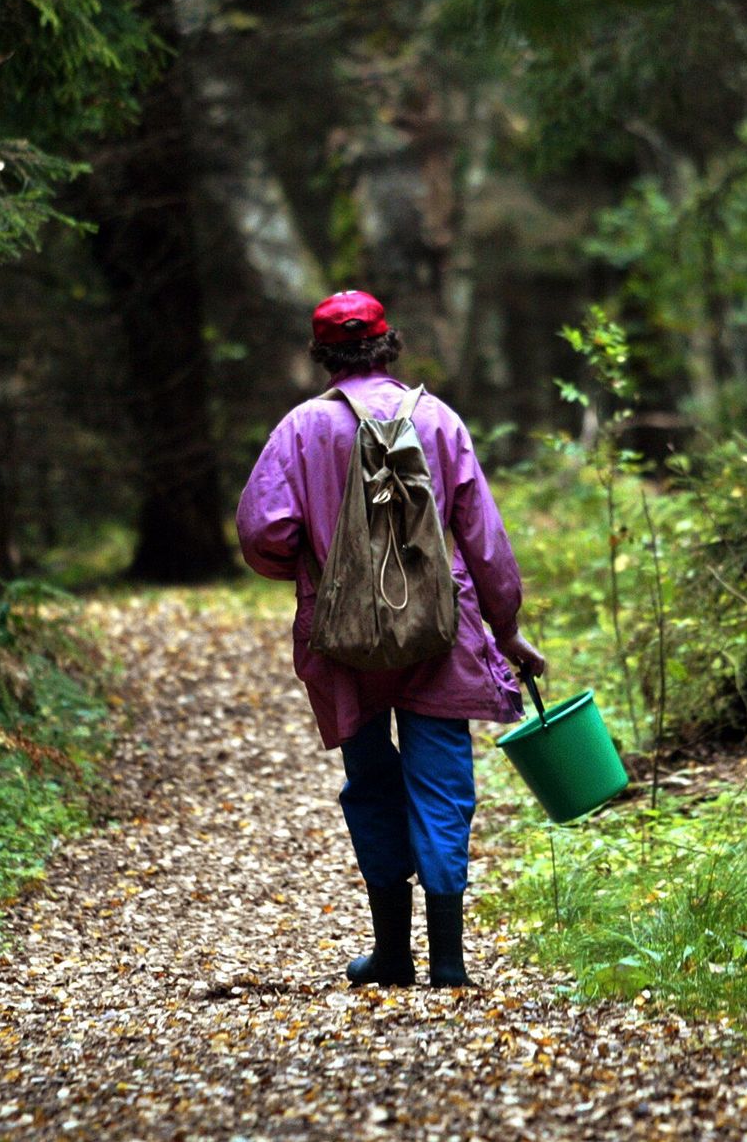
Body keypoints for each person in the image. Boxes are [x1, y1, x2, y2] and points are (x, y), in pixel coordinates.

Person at [235, 290, 547, 989]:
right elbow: (485, 541)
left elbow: (261, 532)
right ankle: (448, 959)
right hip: (440, 625)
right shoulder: (437, 419)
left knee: (371, 781)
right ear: (387, 344)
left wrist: (317, 564)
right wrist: (508, 629)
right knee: (443, 784)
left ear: (322, 354)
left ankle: (392, 954)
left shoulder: (302, 428)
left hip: (343, 633)